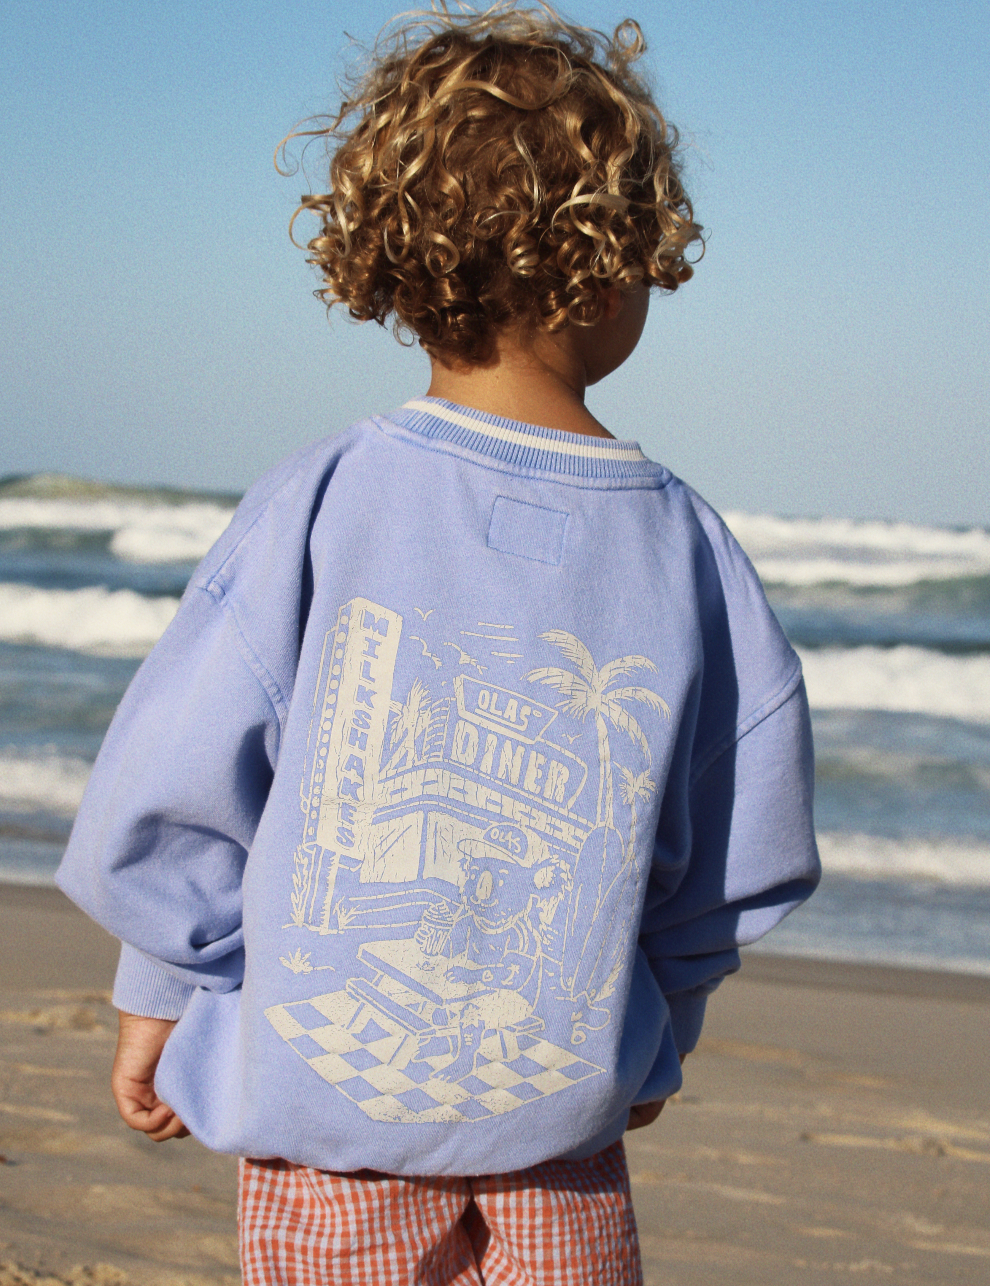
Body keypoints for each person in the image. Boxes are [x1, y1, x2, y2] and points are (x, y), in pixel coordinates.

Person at [56, 4, 820, 1283]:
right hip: (560, 1134)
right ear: (612, 264)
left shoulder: (324, 497)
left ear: (400, 260)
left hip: (324, 1132)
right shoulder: (685, 542)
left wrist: (160, 986)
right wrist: (663, 1019)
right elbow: (743, 829)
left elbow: (189, 779)